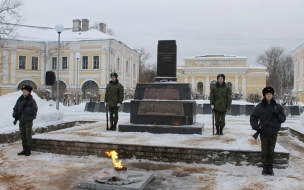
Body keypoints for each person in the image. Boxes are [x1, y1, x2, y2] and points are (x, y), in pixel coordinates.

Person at [250, 87, 286, 176]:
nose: (269, 95)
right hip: (264, 132)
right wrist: (256, 127)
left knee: (271, 150)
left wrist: (277, 115)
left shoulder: (278, 107)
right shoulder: (259, 106)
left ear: (272, 95)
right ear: (265, 95)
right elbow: (253, 117)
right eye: (267, 94)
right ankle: (265, 167)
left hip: (273, 132)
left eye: (270, 94)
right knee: (265, 150)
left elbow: (283, 119)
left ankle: (270, 167)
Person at [13, 85, 38, 156]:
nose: (23, 91)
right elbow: (15, 108)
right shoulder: (20, 99)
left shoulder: (31, 101)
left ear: (29, 92)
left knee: (28, 135)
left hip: (28, 120)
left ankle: (28, 150)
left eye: (25, 90)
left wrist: (26, 108)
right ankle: (24, 149)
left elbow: (34, 110)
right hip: (21, 120)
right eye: (23, 90)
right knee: (22, 135)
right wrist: (15, 114)